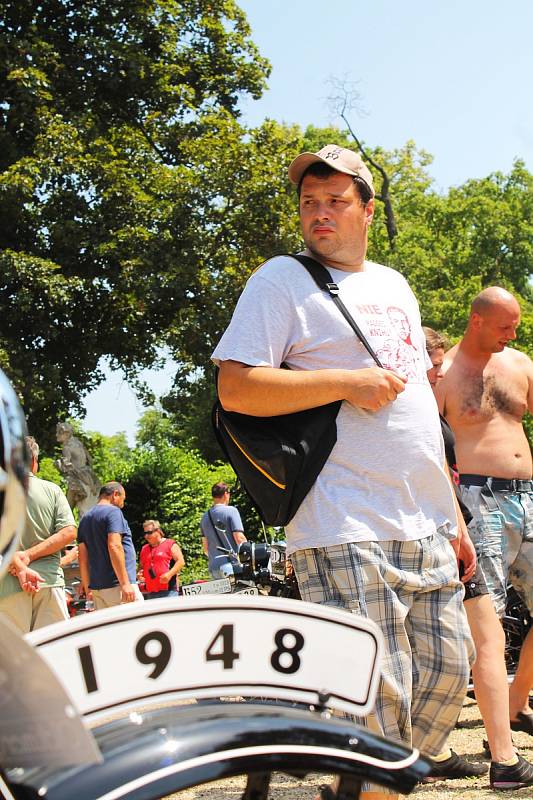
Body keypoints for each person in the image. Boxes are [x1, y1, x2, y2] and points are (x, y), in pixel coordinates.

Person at [212, 143, 473, 800]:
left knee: (447, 677)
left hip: (423, 516)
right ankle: (367, 788)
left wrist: (453, 515)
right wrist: (343, 383)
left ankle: (358, 788)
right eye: (308, 203)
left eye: (334, 201)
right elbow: (237, 389)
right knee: (379, 697)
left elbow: (415, 406)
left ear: (366, 208)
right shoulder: (280, 279)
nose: (318, 214)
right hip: (340, 518)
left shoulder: (393, 284)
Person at [425, 326, 533, 790]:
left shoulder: (520, 364)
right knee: (483, 627)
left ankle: (511, 711)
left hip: (526, 495)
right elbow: (427, 456)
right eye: (505, 324)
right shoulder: (442, 377)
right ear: (479, 321)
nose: (512, 332)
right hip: (472, 502)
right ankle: (501, 754)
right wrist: (453, 518)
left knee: (473, 631)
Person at [0, 436, 76, 632]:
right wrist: (29, 556)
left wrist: (18, 562)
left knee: (13, 658)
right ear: (34, 461)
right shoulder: (52, 491)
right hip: (48, 581)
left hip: (8, 587)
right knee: (55, 653)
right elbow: (69, 532)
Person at [77, 481, 143, 609]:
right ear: (115, 494)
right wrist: (125, 583)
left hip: (98, 589)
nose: (122, 505)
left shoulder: (85, 519)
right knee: (138, 626)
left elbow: (82, 558)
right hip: (118, 587)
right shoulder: (113, 512)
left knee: (111, 628)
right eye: (122, 499)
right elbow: (115, 546)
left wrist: (87, 588)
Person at [200, 483, 247, 578]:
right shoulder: (231, 511)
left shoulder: (204, 517)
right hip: (232, 566)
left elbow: (205, 548)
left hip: (214, 567)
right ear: (226, 494)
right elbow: (239, 538)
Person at [139, 520, 185, 598]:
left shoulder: (170, 544)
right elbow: (141, 568)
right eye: (145, 533)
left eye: (149, 533)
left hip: (169, 591)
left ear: (158, 531)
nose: (146, 536)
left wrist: (169, 574)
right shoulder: (144, 549)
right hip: (150, 592)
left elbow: (181, 562)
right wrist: (140, 574)